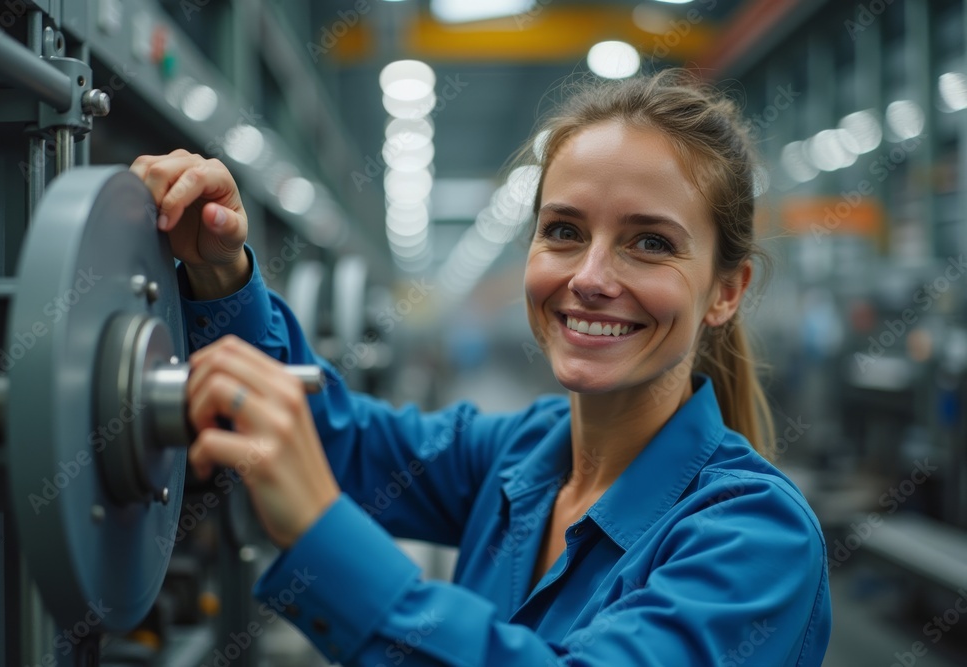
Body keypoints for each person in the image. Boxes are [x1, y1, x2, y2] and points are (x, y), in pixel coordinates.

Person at [131, 69, 831, 665]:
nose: (590, 277)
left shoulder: (757, 539)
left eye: (649, 242)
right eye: (564, 231)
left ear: (726, 291)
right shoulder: (520, 455)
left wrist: (322, 533)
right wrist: (219, 276)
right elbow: (335, 441)